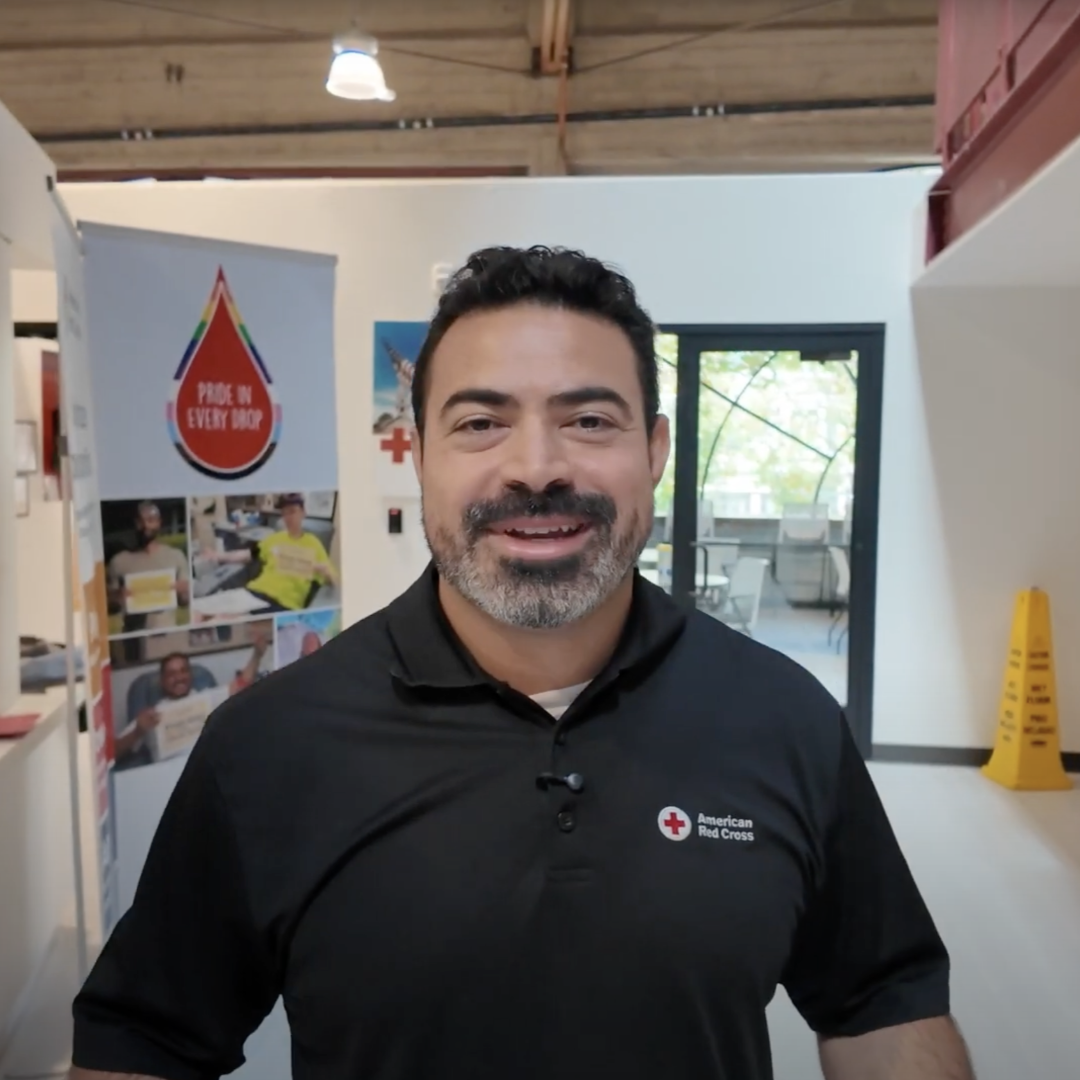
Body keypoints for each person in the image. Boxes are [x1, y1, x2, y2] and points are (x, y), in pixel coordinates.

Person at [69, 247, 976, 1080]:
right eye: (479, 423)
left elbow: (880, 1004)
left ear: (655, 451)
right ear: (418, 454)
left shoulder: (784, 718)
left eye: (589, 419)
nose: (536, 469)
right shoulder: (269, 747)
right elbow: (148, 1041)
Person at [115, 632, 271, 770]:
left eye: (183, 671)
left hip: (209, 771)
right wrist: (137, 732)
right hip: (168, 778)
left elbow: (242, 685)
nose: (179, 678)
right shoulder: (151, 716)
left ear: (190, 675)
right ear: (162, 681)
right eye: (171, 674)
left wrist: (257, 655)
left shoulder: (206, 698)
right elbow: (113, 753)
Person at [201, 493, 338, 612]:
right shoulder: (275, 538)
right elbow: (247, 554)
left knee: (226, 617)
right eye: (285, 513)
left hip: (283, 603)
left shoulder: (313, 544)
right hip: (255, 593)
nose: (288, 517)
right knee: (203, 610)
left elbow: (335, 582)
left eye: (293, 512)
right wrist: (218, 556)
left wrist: (323, 569)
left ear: (303, 513)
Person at [106, 501, 190, 633]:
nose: (145, 525)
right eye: (141, 521)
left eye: (151, 520)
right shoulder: (119, 561)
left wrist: (184, 591)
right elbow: (108, 606)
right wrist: (118, 597)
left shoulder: (175, 556)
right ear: (135, 523)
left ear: (159, 522)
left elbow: (185, 602)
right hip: (133, 636)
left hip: (168, 634)